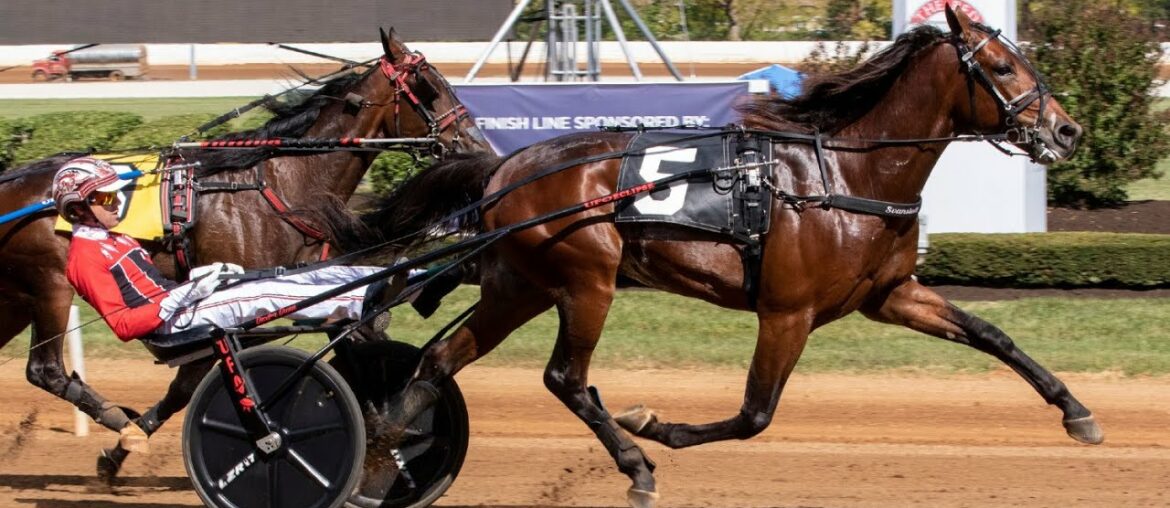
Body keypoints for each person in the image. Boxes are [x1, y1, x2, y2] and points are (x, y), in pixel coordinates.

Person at [52, 157, 396, 448]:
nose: (117, 202)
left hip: (183, 307)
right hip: (171, 325)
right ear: (78, 208)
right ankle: (360, 299)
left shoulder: (115, 239)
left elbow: (156, 287)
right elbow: (123, 325)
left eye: (115, 195)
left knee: (285, 276)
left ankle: (385, 276)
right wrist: (185, 294)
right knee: (262, 296)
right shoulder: (83, 259)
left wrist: (202, 280)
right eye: (105, 198)